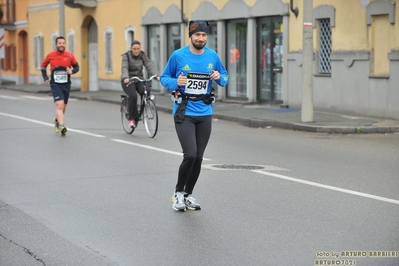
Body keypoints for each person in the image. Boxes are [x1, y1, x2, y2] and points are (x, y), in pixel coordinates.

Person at [160, 20, 228, 211]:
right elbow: (164, 78)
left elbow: (224, 76)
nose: (200, 38)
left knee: (199, 157)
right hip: (184, 111)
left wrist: (218, 78)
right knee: (190, 154)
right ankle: (178, 193)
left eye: (204, 35)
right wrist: (176, 82)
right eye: (197, 35)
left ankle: (188, 195)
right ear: (190, 36)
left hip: (205, 112)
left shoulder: (212, 56)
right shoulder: (178, 56)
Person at [41, 36, 80, 136]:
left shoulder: (70, 55)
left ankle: (58, 121)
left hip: (66, 84)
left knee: (64, 107)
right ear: (56, 44)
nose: (61, 45)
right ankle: (62, 126)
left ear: (65, 44)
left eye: (63, 43)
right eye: (59, 43)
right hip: (55, 84)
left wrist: (72, 71)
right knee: (60, 105)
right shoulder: (51, 55)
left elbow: (76, 67)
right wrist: (45, 77)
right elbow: (43, 65)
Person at [121, 40, 159, 128]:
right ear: (131, 49)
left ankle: (142, 110)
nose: (136, 51)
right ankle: (131, 118)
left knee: (146, 91)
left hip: (139, 79)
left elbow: (148, 65)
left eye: (138, 49)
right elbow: (124, 67)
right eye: (134, 49)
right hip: (128, 80)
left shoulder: (142, 55)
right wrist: (126, 77)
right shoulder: (126, 56)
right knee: (133, 96)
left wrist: (155, 75)